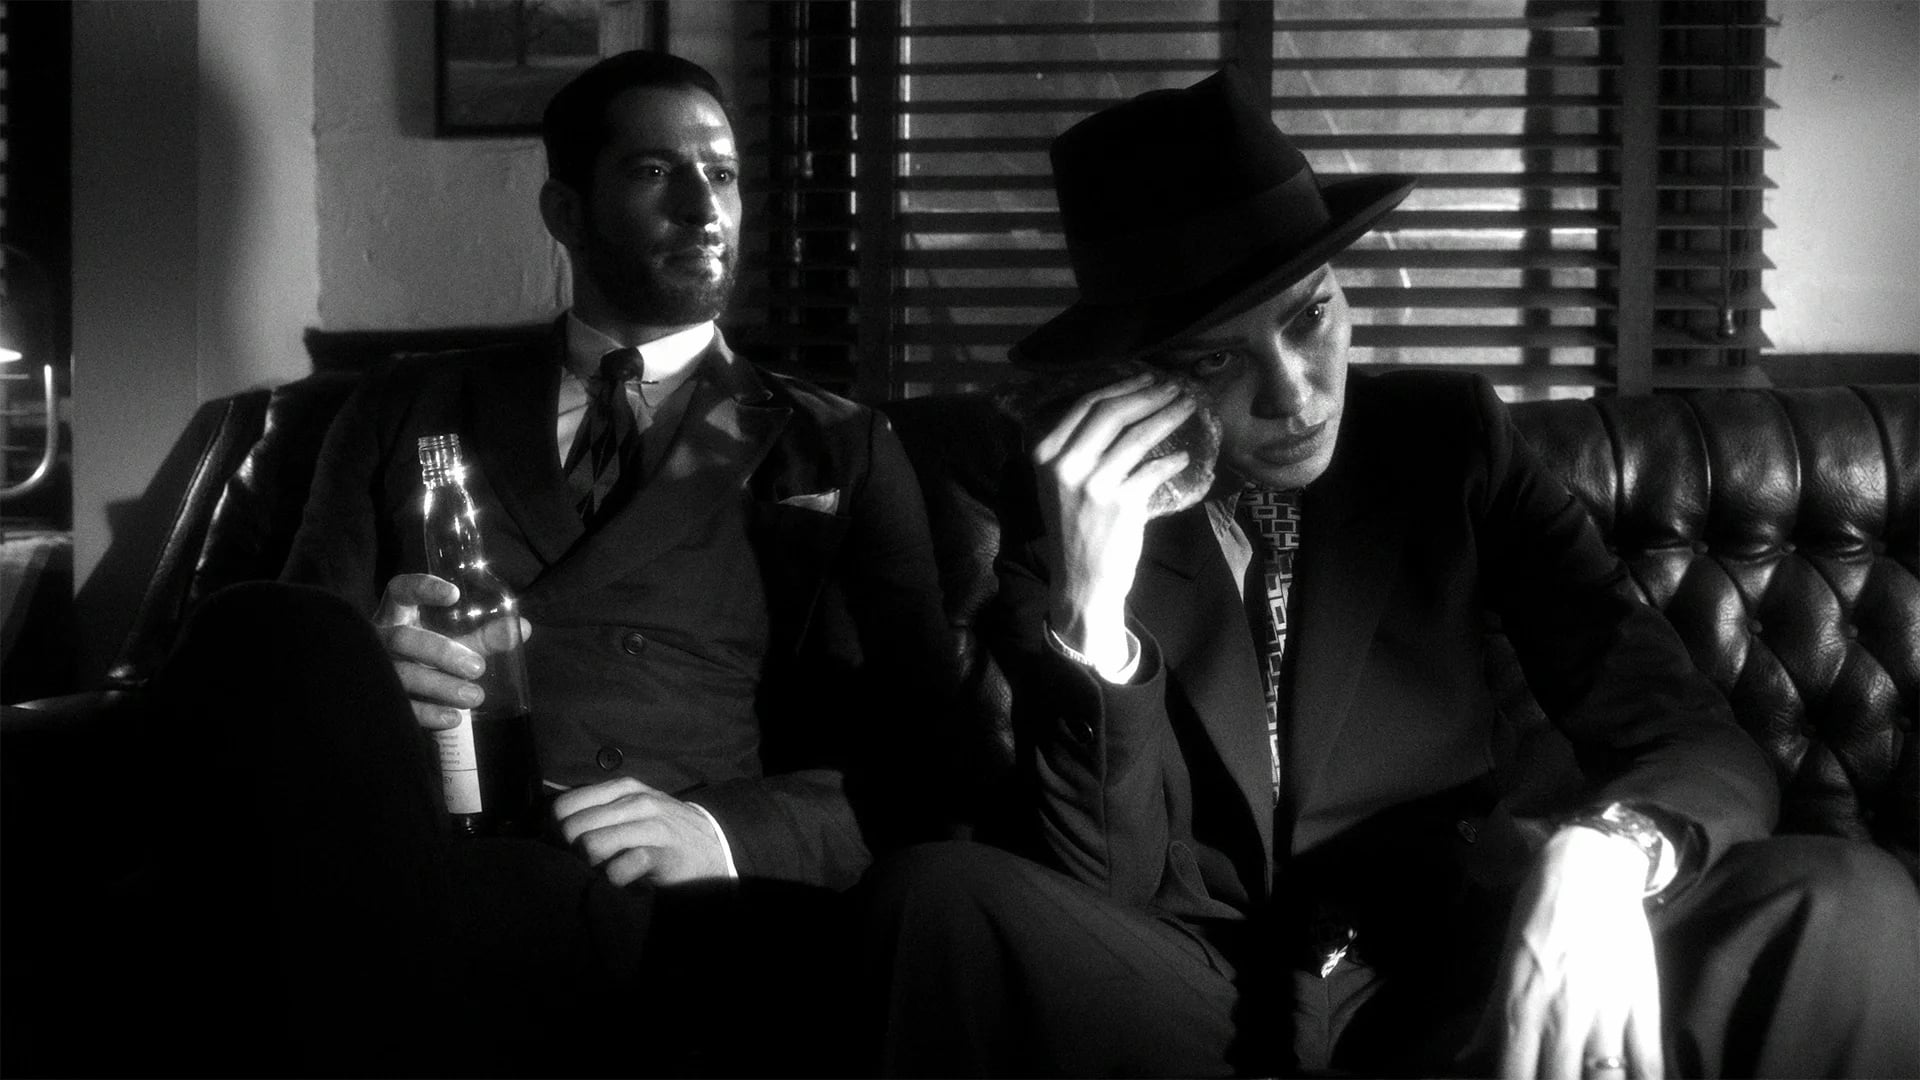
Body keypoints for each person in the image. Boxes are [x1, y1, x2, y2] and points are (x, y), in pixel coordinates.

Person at [864, 69, 1920, 1078]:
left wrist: (1611, 852)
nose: (1294, 395)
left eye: (1310, 316)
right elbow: (1105, 883)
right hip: (1188, 986)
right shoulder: (1069, 510)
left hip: (1456, 965)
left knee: (1843, 899)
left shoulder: (1450, 443)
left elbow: (1686, 731)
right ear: (1136, 376)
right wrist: (1091, 613)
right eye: (1216, 359)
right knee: (934, 900)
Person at [85, 50, 953, 1077]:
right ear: (565, 210)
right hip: (415, 843)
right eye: (654, 172)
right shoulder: (403, 404)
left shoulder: (835, 446)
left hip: (650, 890)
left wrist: (725, 835)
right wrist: (369, 672)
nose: (702, 206)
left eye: (721, 175)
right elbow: (288, 671)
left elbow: (929, 760)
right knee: (257, 630)